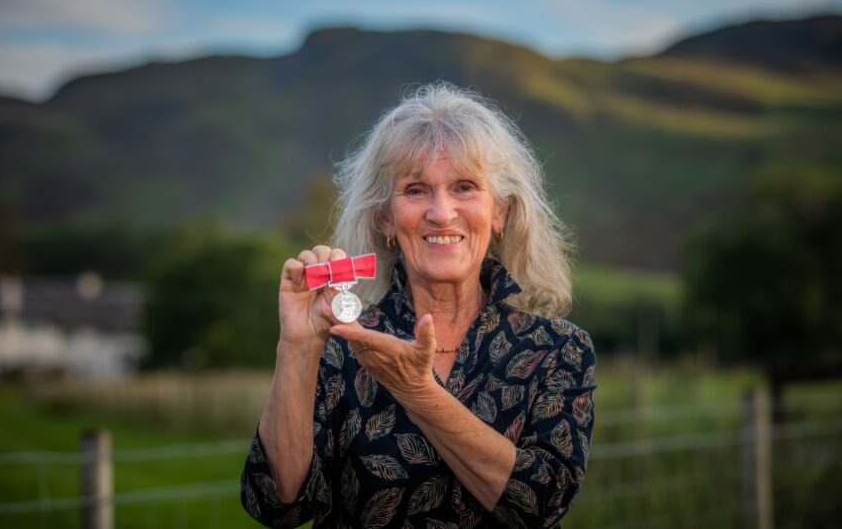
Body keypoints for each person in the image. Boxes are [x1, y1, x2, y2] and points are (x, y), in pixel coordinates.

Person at [240, 83, 596, 528]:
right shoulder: (340, 344)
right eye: (415, 190)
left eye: (465, 187)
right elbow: (276, 505)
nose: (441, 212)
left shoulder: (557, 349)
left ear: (500, 213)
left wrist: (418, 393)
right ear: (385, 218)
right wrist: (296, 344)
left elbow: (539, 504)